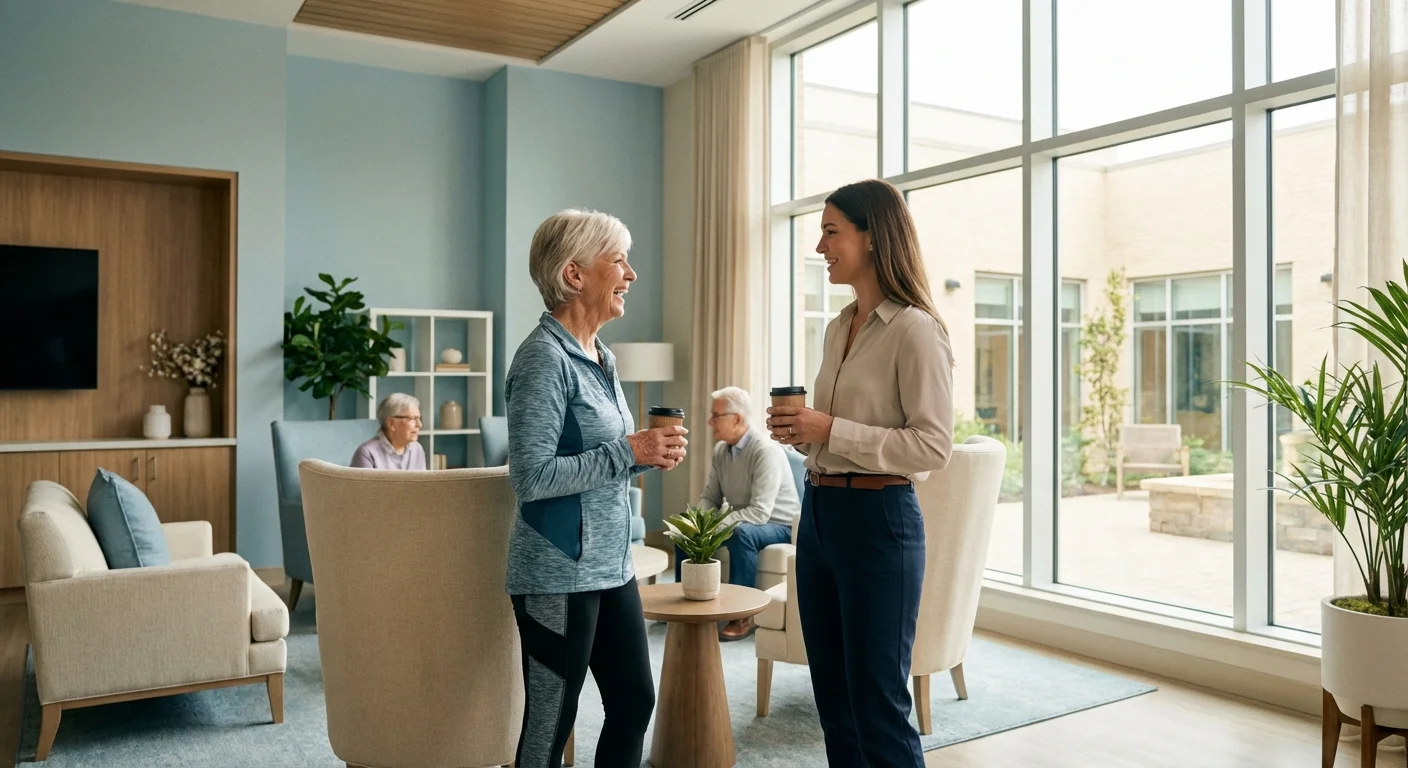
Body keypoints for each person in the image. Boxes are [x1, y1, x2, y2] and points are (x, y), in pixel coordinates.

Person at [766, 179, 954, 767]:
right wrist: (804, 438)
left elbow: (932, 445)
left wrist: (829, 430)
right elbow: (836, 434)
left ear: (872, 238)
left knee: (877, 704)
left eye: (831, 231)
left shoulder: (917, 330)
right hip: (820, 515)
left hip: (880, 522)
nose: (820, 245)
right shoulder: (836, 326)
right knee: (834, 700)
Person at [504, 208, 688, 768]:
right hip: (558, 571)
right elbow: (532, 478)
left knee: (633, 702)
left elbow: (596, 461)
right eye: (618, 261)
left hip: (612, 565)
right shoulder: (543, 359)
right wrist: (629, 450)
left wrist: (643, 455)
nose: (630, 274)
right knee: (551, 724)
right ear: (574, 274)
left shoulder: (602, 357)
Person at [675, 386, 799, 641]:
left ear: (738, 419)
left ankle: (742, 615)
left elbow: (760, 513)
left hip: (779, 524)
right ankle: (685, 605)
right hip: (749, 519)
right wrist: (698, 524)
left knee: (740, 533)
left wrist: (714, 526)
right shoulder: (722, 450)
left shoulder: (764, 451)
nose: (710, 421)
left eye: (716, 416)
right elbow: (710, 497)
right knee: (684, 529)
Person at [350, 393, 428, 470]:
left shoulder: (417, 449)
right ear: (391, 423)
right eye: (412, 418)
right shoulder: (367, 453)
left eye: (419, 418)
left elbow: (421, 483)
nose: (419, 424)